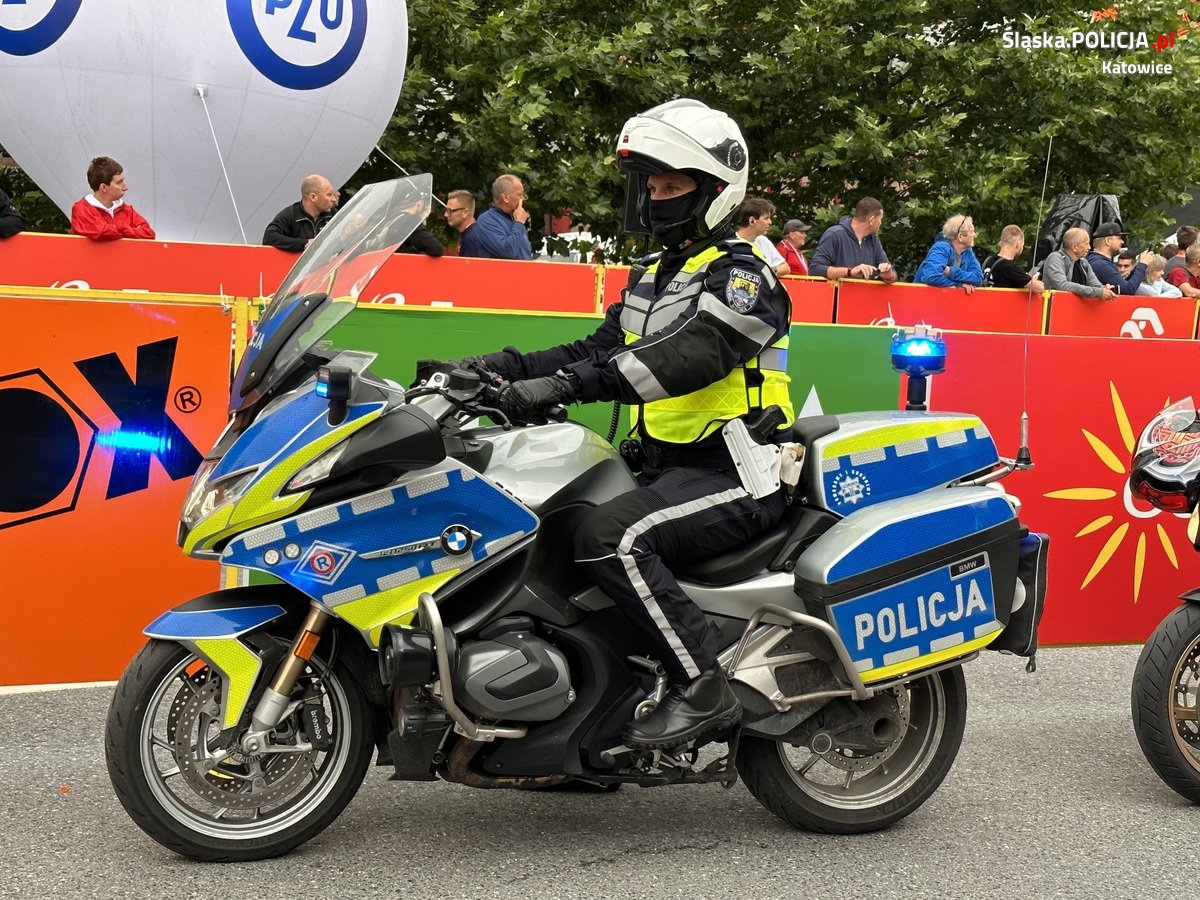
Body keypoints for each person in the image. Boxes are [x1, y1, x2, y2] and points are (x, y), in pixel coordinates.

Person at [437, 99, 792, 749]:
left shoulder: (746, 277)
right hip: (665, 466)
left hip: (737, 472)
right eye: (651, 188)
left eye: (671, 187)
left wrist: (568, 386)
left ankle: (702, 686)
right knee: (545, 522)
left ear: (715, 191)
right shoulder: (653, 276)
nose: (656, 199)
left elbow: (689, 355)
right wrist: (492, 369)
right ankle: (576, 731)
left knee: (613, 539)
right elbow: (594, 350)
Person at [808, 197, 897, 282]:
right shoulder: (834, 235)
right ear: (872, 220)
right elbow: (815, 269)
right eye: (880, 219)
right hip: (838, 292)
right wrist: (850, 272)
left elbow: (893, 276)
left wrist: (888, 274)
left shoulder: (873, 240)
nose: (881, 223)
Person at [69, 157, 155, 241]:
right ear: (103, 187)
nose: (125, 187)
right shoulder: (82, 209)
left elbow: (148, 234)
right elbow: (101, 232)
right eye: (119, 182)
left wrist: (118, 228)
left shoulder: (127, 210)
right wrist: (128, 230)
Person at [458, 174, 532, 260]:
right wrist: (519, 223)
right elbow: (507, 252)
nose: (522, 199)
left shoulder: (515, 220)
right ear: (506, 197)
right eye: (519, 195)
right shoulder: (487, 221)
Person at [263, 174, 339, 252]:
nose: (334, 199)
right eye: (329, 195)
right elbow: (269, 238)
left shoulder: (332, 213)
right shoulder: (290, 215)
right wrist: (304, 243)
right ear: (313, 197)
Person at [1041, 227, 1117, 300]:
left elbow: (1095, 285)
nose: (1089, 247)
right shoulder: (1055, 258)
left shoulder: (1083, 262)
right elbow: (1062, 285)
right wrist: (1097, 292)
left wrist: (1105, 289)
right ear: (1074, 247)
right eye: (1086, 244)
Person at [914, 214, 984, 293]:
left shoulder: (968, 251)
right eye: (971, 232)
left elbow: (978, 278)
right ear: (960, 237)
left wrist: (951, 272)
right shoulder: (941, 248)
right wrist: (959, 284)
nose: (974, 235)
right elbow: (931, 276)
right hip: (922, 297)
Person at [1085, 222, 1153, 294]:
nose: (1122, 242)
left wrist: (1138, 265)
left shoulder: (1098, 261)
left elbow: (1124, 284)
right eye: (1119, 238)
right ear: (1108, 241)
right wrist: (1143, 265)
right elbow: (1127, 290)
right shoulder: (1100, 265)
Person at [734, 197, 790, 277]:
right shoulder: (732, 243)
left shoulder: (763, 241)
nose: (770, 222)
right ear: (752, 221)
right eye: (766, 218)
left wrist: (768, 272)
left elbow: (786, 268)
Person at [981, 225, 1045, 292]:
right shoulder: (1011, 267)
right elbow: (1039, 288)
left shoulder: (988, 261)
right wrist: (1033, 280)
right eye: (1022, 245)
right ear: (1018, 244)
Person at [443, 189, 477, 255]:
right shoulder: (472, 233)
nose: (445, 215)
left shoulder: (470, 238)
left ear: (465, 213)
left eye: (450, 211)